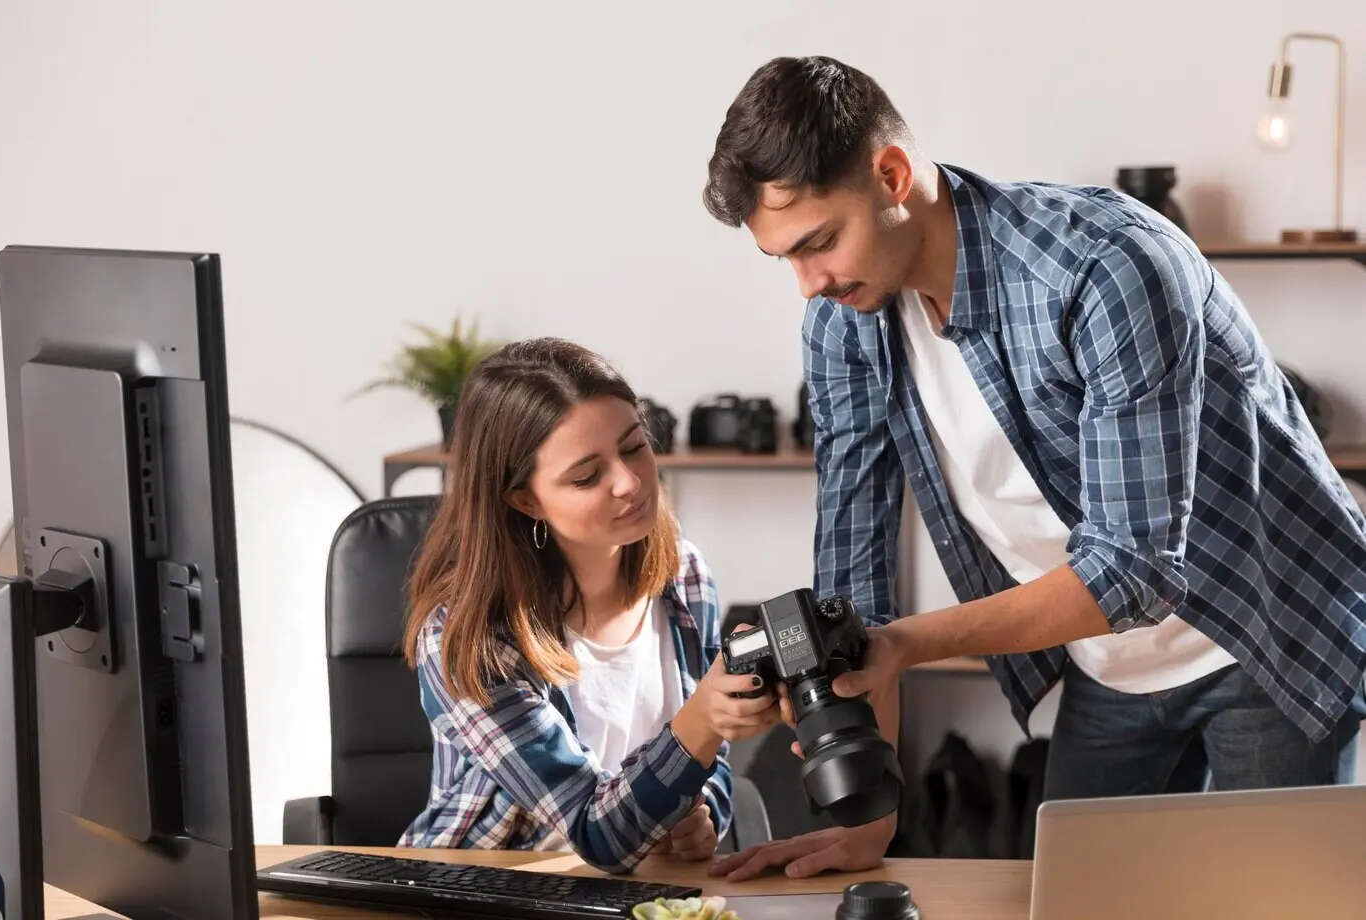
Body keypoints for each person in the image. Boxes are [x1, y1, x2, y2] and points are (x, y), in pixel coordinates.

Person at [699, 55, 1366, 880]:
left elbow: (1133, 570)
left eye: (820, 242)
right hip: (1107, 660)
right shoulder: (845, 325)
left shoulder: (1105, 264)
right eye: (785, 260)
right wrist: (875, 809)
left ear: (893, 175)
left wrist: (904, 643)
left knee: (1271, 901)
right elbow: (854, 586)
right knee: (1079, 899)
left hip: (1264, 632)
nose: (810, 284)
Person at [398, 337, 782, 874]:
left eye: (633, 447)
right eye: (586, 476)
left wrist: (703, 814)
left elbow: (707, 761)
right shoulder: (467, 635)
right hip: (491, 888)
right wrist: (703, 718)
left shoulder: (685, 577)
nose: (629, 482)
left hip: (641, 889)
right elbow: (594, 832)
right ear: (525, 499)